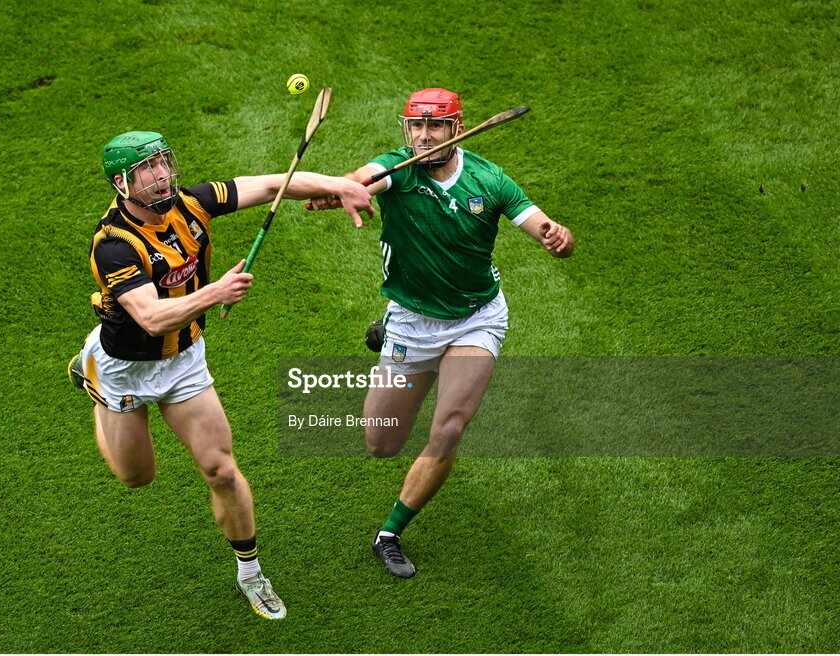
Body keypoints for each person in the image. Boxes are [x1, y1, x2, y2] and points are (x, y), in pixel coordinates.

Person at [68, 131, 373, 617]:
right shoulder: (113, 246)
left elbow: (275, 183)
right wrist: (218, 292)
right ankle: (94, 383)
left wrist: (341, 185)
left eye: (164, 162)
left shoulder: (191, 204)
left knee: (221, 470)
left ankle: (250, 573)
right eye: (148, 169)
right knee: (136, 478)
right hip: (124, 369)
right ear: (122, 183)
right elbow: (151, 317)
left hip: (184, 359)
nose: (162, 175)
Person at [311, 89, 575, 579]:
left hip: (476, 317)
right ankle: (387, 331)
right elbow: (359, 179)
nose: (423, 136)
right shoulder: (397, 169)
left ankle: (389, 533)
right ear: (406, 128)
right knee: (381, 443)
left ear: (457, 128)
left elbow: (546, 230)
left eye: (434, 127)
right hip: (414, 320)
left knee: (449, 428)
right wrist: (340, 189)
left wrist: (557, 237)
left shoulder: (489, 179)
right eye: (416, 127)